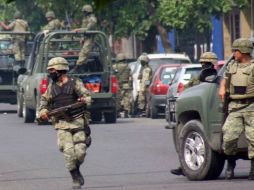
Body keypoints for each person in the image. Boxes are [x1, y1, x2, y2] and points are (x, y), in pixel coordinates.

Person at [38, 57, 92, 189]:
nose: (50, 73)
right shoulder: (51, 88)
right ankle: (75, 177)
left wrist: (85, 100)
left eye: (52, 70)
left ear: (60, 69)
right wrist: (43, 112)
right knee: (68, 152)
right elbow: (43, 103)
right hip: (62, 125)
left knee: (80, 152)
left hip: (78, 122)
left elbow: (87, 96)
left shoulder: (75, 83)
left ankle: (76, 166)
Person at [170, 51, 218, 176]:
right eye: (204, 63)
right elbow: (185, 90)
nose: (205, 66)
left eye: (206, 63)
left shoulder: (218, 76)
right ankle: (184, 164)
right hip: (202, 112)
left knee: (183, 132)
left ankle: (185, 165)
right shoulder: (216, 76)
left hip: (206, 112)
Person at [219, 38, 254, 180]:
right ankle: (230, 163)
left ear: (244, 52)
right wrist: (222, 88)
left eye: (236, 51)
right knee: (228, 137)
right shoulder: (232, 65)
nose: (234, 53)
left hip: (251, 106)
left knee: (253, 139)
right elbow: (224, 79)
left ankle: (253, 169)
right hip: (235, 106)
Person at [113, 53, 132, 118]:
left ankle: (117, 112)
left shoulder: (114, 66)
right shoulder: (127, 66)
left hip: (117, 85)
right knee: (126, 99)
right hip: (125, 84)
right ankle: (126, 113)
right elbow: (130, 76)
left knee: (117, 99)